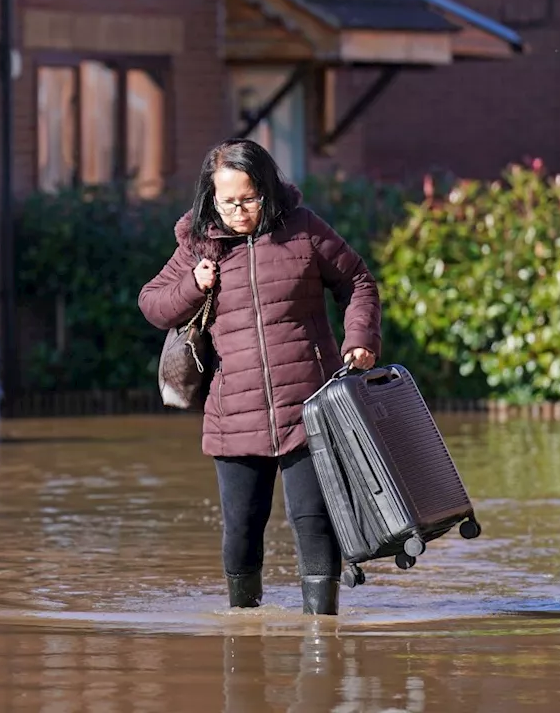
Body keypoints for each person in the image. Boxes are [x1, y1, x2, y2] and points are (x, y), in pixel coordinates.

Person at [138, 138, 382, 615]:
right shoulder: (198, 243)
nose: (239, 210)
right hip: (234, 414)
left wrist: (361, 340)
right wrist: (194, 284)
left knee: (313, 521)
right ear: (212, 198)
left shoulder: (303, 230)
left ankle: (321, 635)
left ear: (267, 189)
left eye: (249, 198)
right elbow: (152, 304)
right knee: (242, 528)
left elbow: (357, 281)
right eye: (228, 201)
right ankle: (242, 630)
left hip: (311, 406)